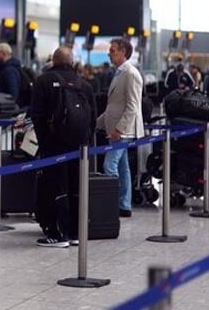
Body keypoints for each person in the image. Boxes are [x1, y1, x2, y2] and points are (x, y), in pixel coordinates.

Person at [31, 47, 96, 248]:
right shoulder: (84, 85)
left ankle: (57, 234)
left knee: (55, 186)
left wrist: (44, 143)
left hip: (53, 145)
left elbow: (37, 115)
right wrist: (84, 141)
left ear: (53, 60)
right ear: (72, 62)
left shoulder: (43, 82)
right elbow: (92, 118)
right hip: (79, 146)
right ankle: (76, 233)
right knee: (76, 186)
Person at [97, 38, 144, 218]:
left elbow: (132, 105)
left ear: (124, 52)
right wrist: (97, 123)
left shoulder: (130, 74)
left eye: (113, 50)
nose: (110, 53)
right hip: (115, 128)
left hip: (122, 130)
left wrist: (120, 129)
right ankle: (124, 205)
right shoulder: (119, 73)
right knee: (123, 167)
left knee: (110, 165)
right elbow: (114, 105)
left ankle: (112, 205)